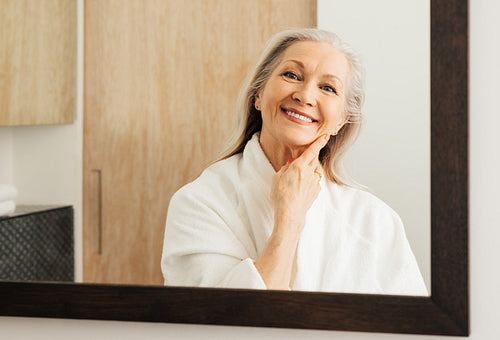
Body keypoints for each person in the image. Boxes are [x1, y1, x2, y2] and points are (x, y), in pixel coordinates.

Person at [161, 28, 428, 295]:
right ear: (258, 94)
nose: (305, 96)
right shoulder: (200, 203)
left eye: (328, 88)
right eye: (292, 75)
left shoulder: (376, 222)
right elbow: (218, 324)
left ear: (341, 120)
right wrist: (289, 220)